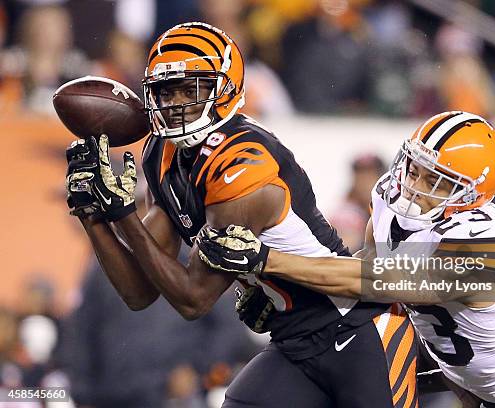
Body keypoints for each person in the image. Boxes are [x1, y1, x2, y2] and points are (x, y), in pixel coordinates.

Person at [64, 22, 417, 408]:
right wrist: (95, 216)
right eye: (167, 92)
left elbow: (193, 299)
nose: (176, 103)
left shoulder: (243, 163)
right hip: (293, 339)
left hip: (357, 331)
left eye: (191, 90)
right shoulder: (163, 155)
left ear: (224, 89)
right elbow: (139, 291)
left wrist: (124, 213)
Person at [197, 111, 495, 407]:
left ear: (470, 194)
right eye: (415, 167)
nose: (414, 182)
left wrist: (266, 260)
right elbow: (367, 265)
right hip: (442, 353)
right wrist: (287, 294)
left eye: (436, 180)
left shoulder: (484, 252)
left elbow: (370, 280)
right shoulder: (390, 196)